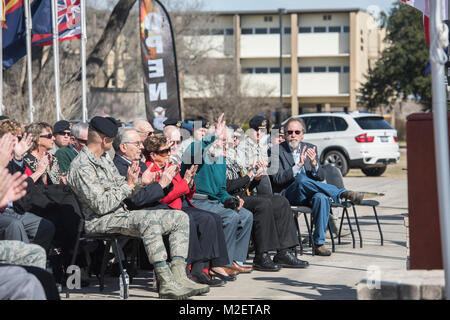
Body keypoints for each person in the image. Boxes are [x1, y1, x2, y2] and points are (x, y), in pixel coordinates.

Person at [67, 116, 206, 299]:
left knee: (180, 218)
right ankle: (165, 281)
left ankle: (179, 276)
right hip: (99, 220)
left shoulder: (103, 159)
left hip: (118, 214)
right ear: (105, 140)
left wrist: (140, 182)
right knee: (147, 220)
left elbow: (122, 187)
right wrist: (130, 186)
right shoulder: (82, 166)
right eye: (111, 140)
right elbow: (101, 205)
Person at [143, 134, 229, 286]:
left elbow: (182, 190)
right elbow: (161, 197)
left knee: (212, 218)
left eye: (169, 150)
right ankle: (188, 271)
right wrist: (184, 184)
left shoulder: (168, 166)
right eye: (164, 152)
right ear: (153, 154)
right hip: (166, 209)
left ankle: (201, 268)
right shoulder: (150, 169)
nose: (169, 154)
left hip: (180, 205)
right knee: (200, 219)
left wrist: (189, 183)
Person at [270, 118, 364, 256]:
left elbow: (320, 177)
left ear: (302, 134)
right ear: (284, 134)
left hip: (308, 195)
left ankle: (319, 243)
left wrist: (314, 165)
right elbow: (277, 179)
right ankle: (341, 193)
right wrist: (298, 167)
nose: (293, 135)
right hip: (288, 194)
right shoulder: (275, 151)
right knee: (301, 179)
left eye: (297, 132)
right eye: (289, 132)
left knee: (321, 198)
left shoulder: (310, 148)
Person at [225, 127, 309, 270]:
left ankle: (284, 252)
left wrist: (255, 178)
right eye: (230, 138)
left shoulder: (233, 158)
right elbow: (226, 187)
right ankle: (261, 256)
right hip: (229, 199)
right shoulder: (216, 159)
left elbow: (245, 187)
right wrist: (249, 176)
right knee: (262, 204)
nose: (234, 140)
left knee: (280, 201)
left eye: (235, 138)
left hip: (242, 196)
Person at [181, 113, 254, 278]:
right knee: (230, 217)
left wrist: (230, 199)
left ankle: (236, 261)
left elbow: (220, 190)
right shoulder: (196, 152)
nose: (226, 146)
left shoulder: (219, 160)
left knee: (246, 215)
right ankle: (220, 264)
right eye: (223, 142)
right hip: (195, 200)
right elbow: (194, 151)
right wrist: (213, 136)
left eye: (227, 142)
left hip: (213, 201)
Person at [0, 125, 55, 253]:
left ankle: (36, 261)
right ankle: (23, 266)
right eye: (16, 139)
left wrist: (18, 157)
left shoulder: (15, 159)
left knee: (45, 226)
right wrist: (38, 172)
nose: (19, 142)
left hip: (13, 208)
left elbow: (19, 182)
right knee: (14, 225)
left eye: (20, 138)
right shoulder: (11, 159)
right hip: (4, 212)